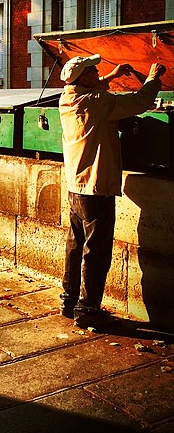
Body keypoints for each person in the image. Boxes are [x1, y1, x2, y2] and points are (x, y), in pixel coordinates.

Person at [58, 54, 166, 329]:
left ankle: (69, 302)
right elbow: (139, 102)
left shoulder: (67, 97)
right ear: (84, 77)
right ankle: (88, 310)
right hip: (96, 187)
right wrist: (153, 77)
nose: (98, 72)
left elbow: (94, 90)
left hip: (75, 185)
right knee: (97, 251)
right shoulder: (98, 102)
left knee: (75, 246)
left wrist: (113, 76)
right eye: (94, 70)